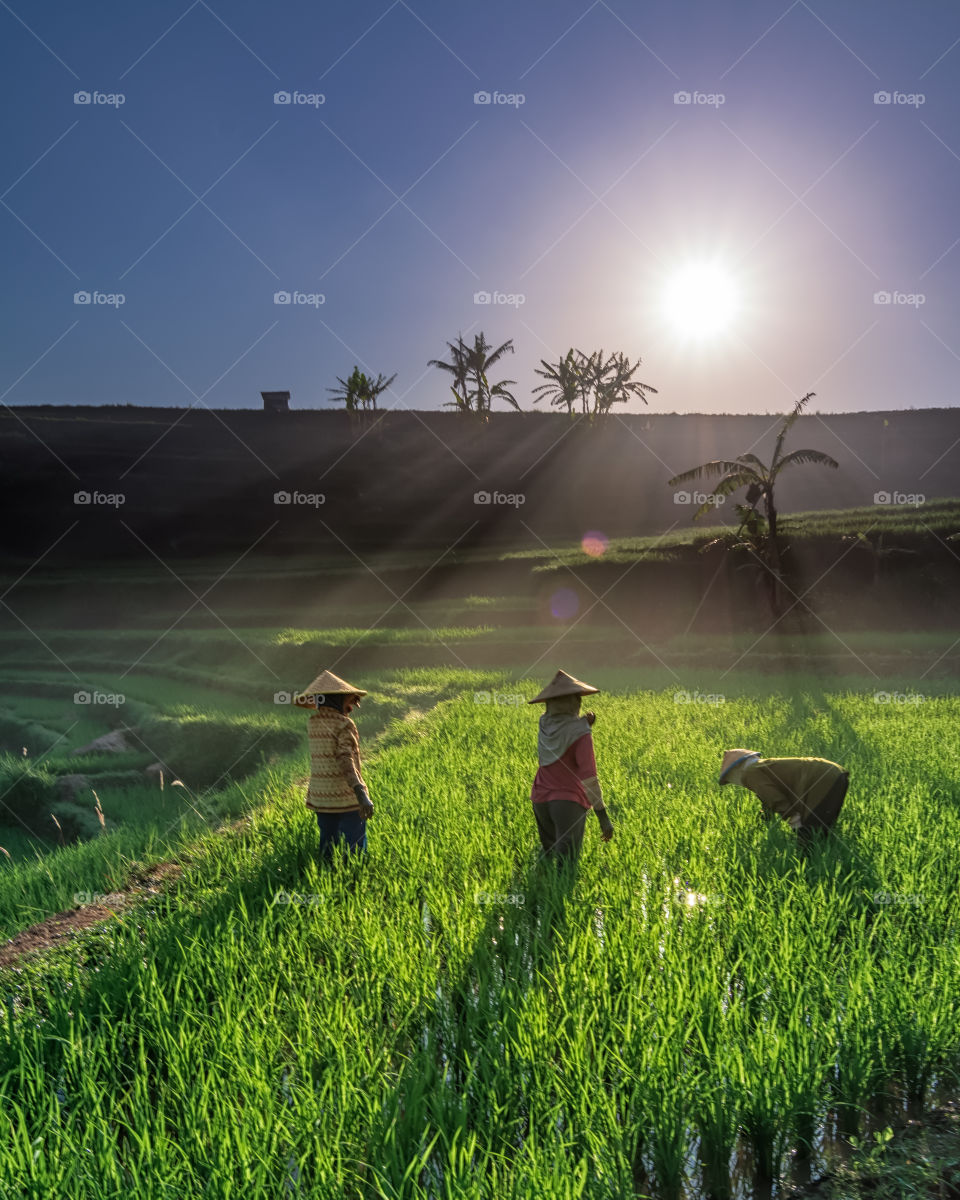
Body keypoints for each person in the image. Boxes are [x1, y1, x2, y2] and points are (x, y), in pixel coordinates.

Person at [528, 670, 614, 865]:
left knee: (548, 859)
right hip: (567, 803)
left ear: (549, 704)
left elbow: (563, 729)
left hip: (540, 798)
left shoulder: (544, 724)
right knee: (566, 866)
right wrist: (603, 817)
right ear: (575, 702)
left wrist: (585, 723)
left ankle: (540, 894)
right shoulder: (580, 733)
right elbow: (589, 777)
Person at [294, 669, 373, 859]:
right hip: (346, 797)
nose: (353, 708)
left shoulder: (313, 723)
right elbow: (345, 759)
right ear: (336, 699)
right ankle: (354, 879)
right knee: (355, 849)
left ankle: (327, 875)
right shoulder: (344, 724)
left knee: (327, 845)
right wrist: (360, 793)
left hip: (322, 797)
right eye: (350, 701)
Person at [718, 748, 849, 848]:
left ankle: (807, 873)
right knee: (823, 828)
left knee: (808, 834)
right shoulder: (760, 767)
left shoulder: (749, 773)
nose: (735, 783)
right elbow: (767, 798)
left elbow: (772, 796)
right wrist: (763, 820)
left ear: (736, 770)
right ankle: (826, 857)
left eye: (731, 779)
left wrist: (793, 818)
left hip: (822, 778)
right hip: (835, 773)